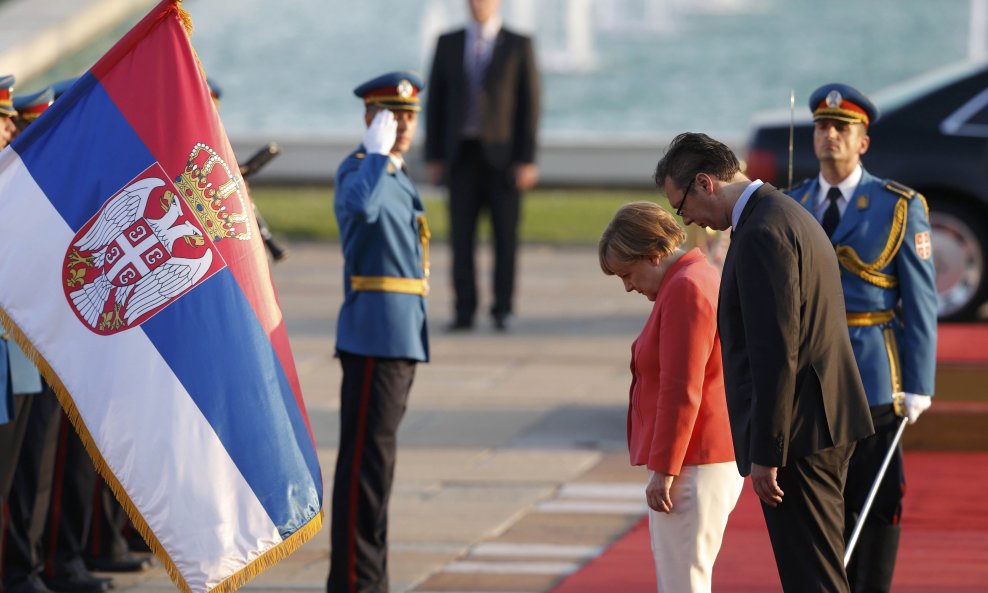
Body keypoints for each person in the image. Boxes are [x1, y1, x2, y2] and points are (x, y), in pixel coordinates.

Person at [654, 132, 874, 593]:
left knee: (811, 579)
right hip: (821, 422)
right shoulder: (784, 212)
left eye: (682, 206)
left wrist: (766, 452)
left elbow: (777, 351)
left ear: (705, 182)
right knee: (820, 571)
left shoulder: (760, 233)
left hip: (800, 435)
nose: (687, 218)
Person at [788, 83, 938, 593]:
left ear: (863, 142)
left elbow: (920, 300)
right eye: (822, 128)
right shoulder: (794, 203)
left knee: (875, 498)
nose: (829, 136)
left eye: (841, 128)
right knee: (819, 498)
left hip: (874, 373)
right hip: (811, 375)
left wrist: (919, 381)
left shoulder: (898, 205)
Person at [598, 202, 743, 593]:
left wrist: (664, 468)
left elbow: (681, 389)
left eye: (628, 273)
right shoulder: (692, 277)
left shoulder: (685, 288)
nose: (628, 285)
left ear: (653, 253)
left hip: (692, 461)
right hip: (698, 457)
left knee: (683, 583)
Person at [327, 71, 430, 593]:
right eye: (394, 115)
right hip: (372, 335)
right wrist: (372, 154)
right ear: (371, 119)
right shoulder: (360, 171)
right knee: (364, 470)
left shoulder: (396, 173)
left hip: (400, 336)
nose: (405, 124)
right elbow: (358, 211)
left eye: (410, 115)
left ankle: (371, 579)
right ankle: (354, 582)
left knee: (378, 469)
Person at [425, 0, 540, 331]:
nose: (479, 5)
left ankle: (502, 308)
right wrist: (434, 156)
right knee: (461, 238)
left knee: (505, 237)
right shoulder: (448, 42)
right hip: (461, 157)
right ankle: (464, 309)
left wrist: (527, 159)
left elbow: (529, 105)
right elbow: (436, 103)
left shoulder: (518, 44)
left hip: (504, 160)